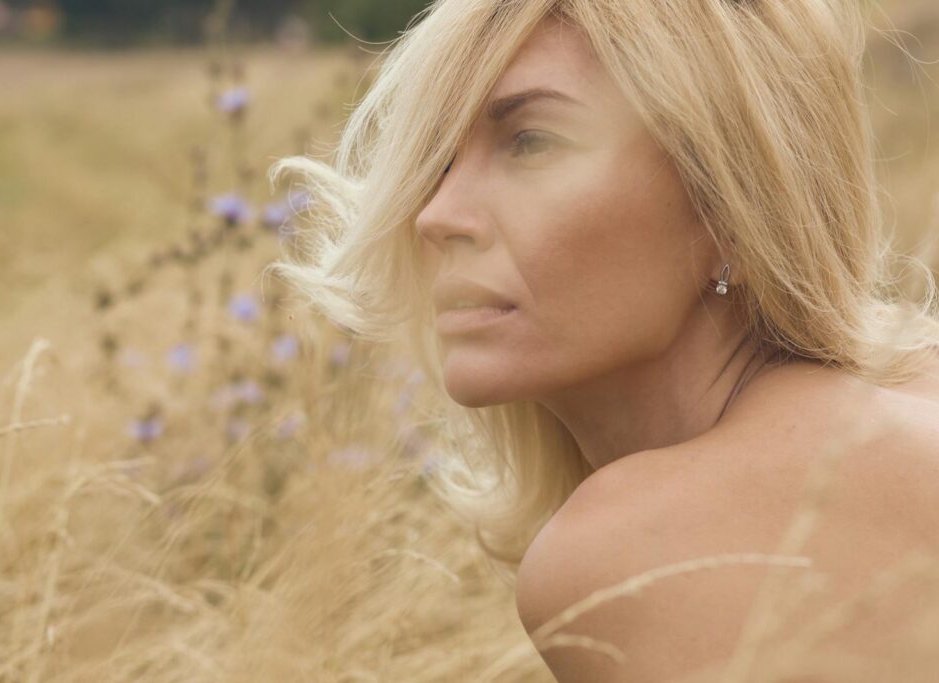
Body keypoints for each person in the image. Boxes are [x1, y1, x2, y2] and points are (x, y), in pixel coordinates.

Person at [267, 1, 939, 680]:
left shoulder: (633, 550)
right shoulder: (912, 389)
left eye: (531, 141)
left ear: (727, 203)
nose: (437, 215)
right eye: (438, 157)